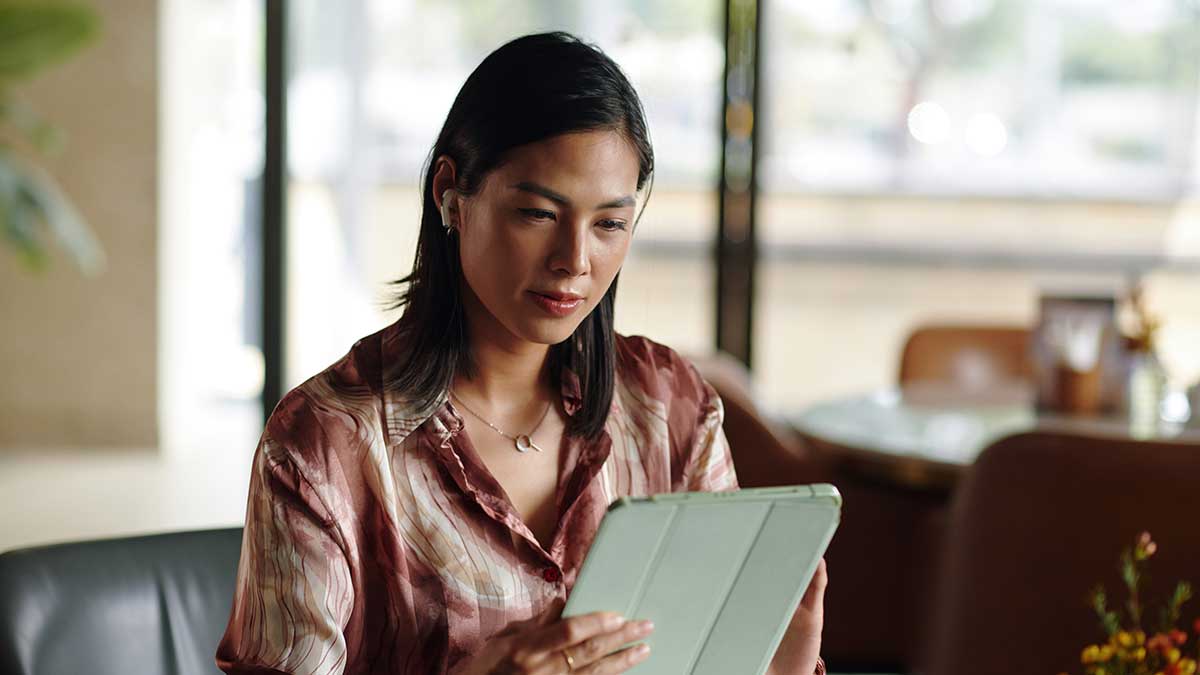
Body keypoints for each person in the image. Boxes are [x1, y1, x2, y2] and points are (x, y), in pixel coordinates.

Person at [216, 31, 826, 675]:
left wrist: (779, 663)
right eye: (538, 213)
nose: (575, 261)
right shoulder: (327, 443)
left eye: (610, 224)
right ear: (451, 192)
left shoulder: (668, 405)